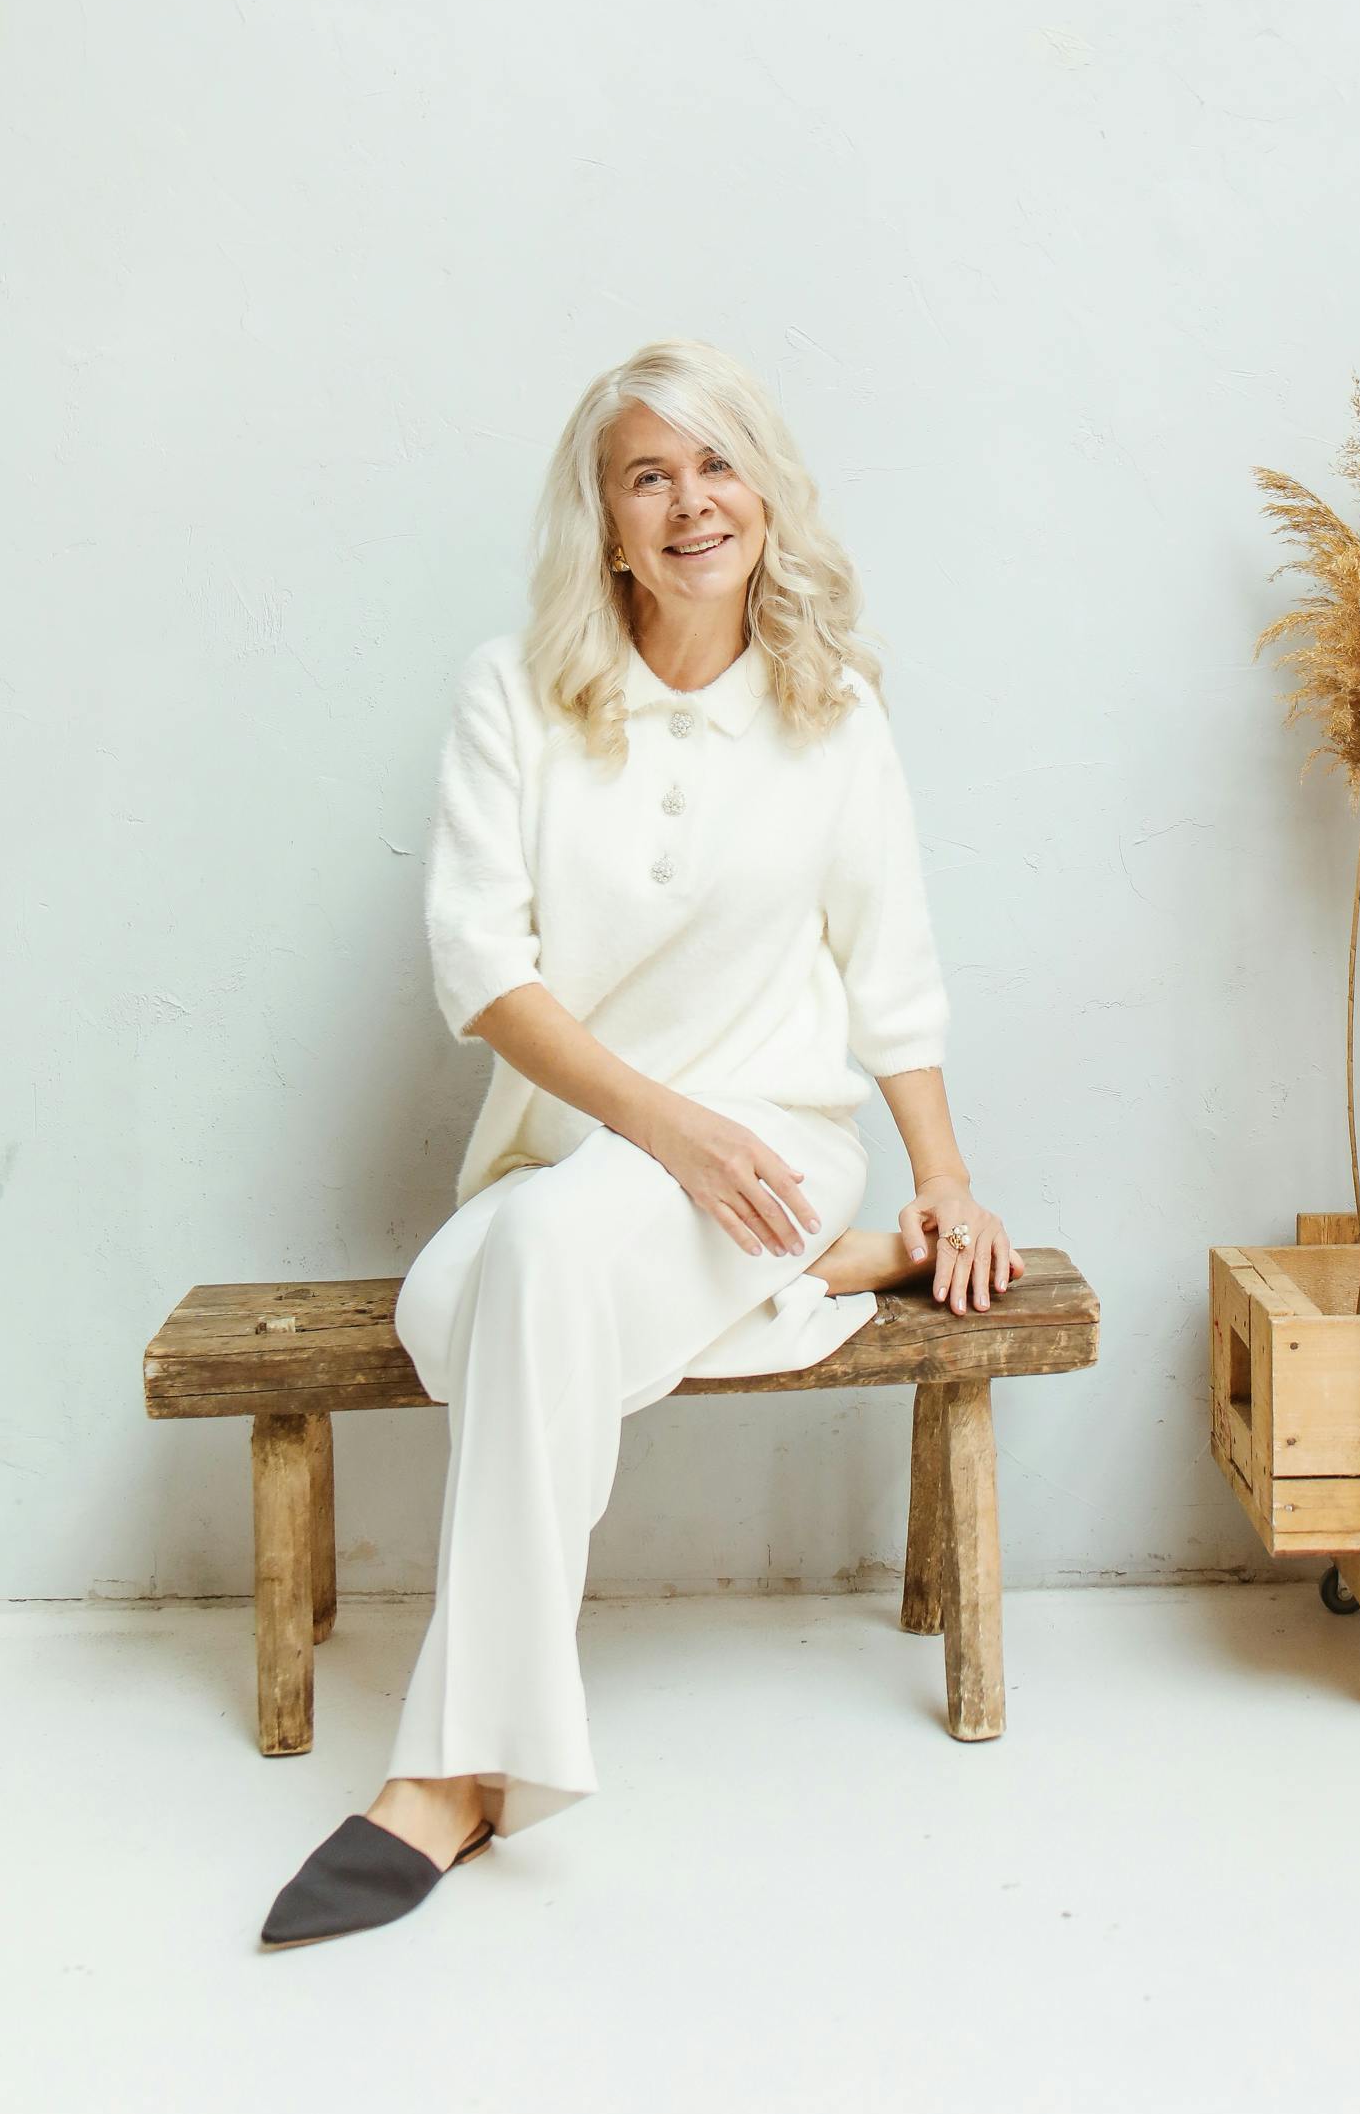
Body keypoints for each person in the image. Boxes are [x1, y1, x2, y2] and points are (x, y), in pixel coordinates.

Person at [260, 336, 1023, 1951]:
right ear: (606, 523)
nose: (692, 503)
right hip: (587, 1157)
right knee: (450, 1309)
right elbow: (483, 968)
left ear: (767, 494)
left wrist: (939, 1181)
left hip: (772, 1149)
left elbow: (891, 979)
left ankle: (457, 1776)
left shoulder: (834, 714)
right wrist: (656, 1128)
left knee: (531, 1278)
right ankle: (813, 1286)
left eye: (719, 465)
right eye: (648, 475)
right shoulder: (517, 696)